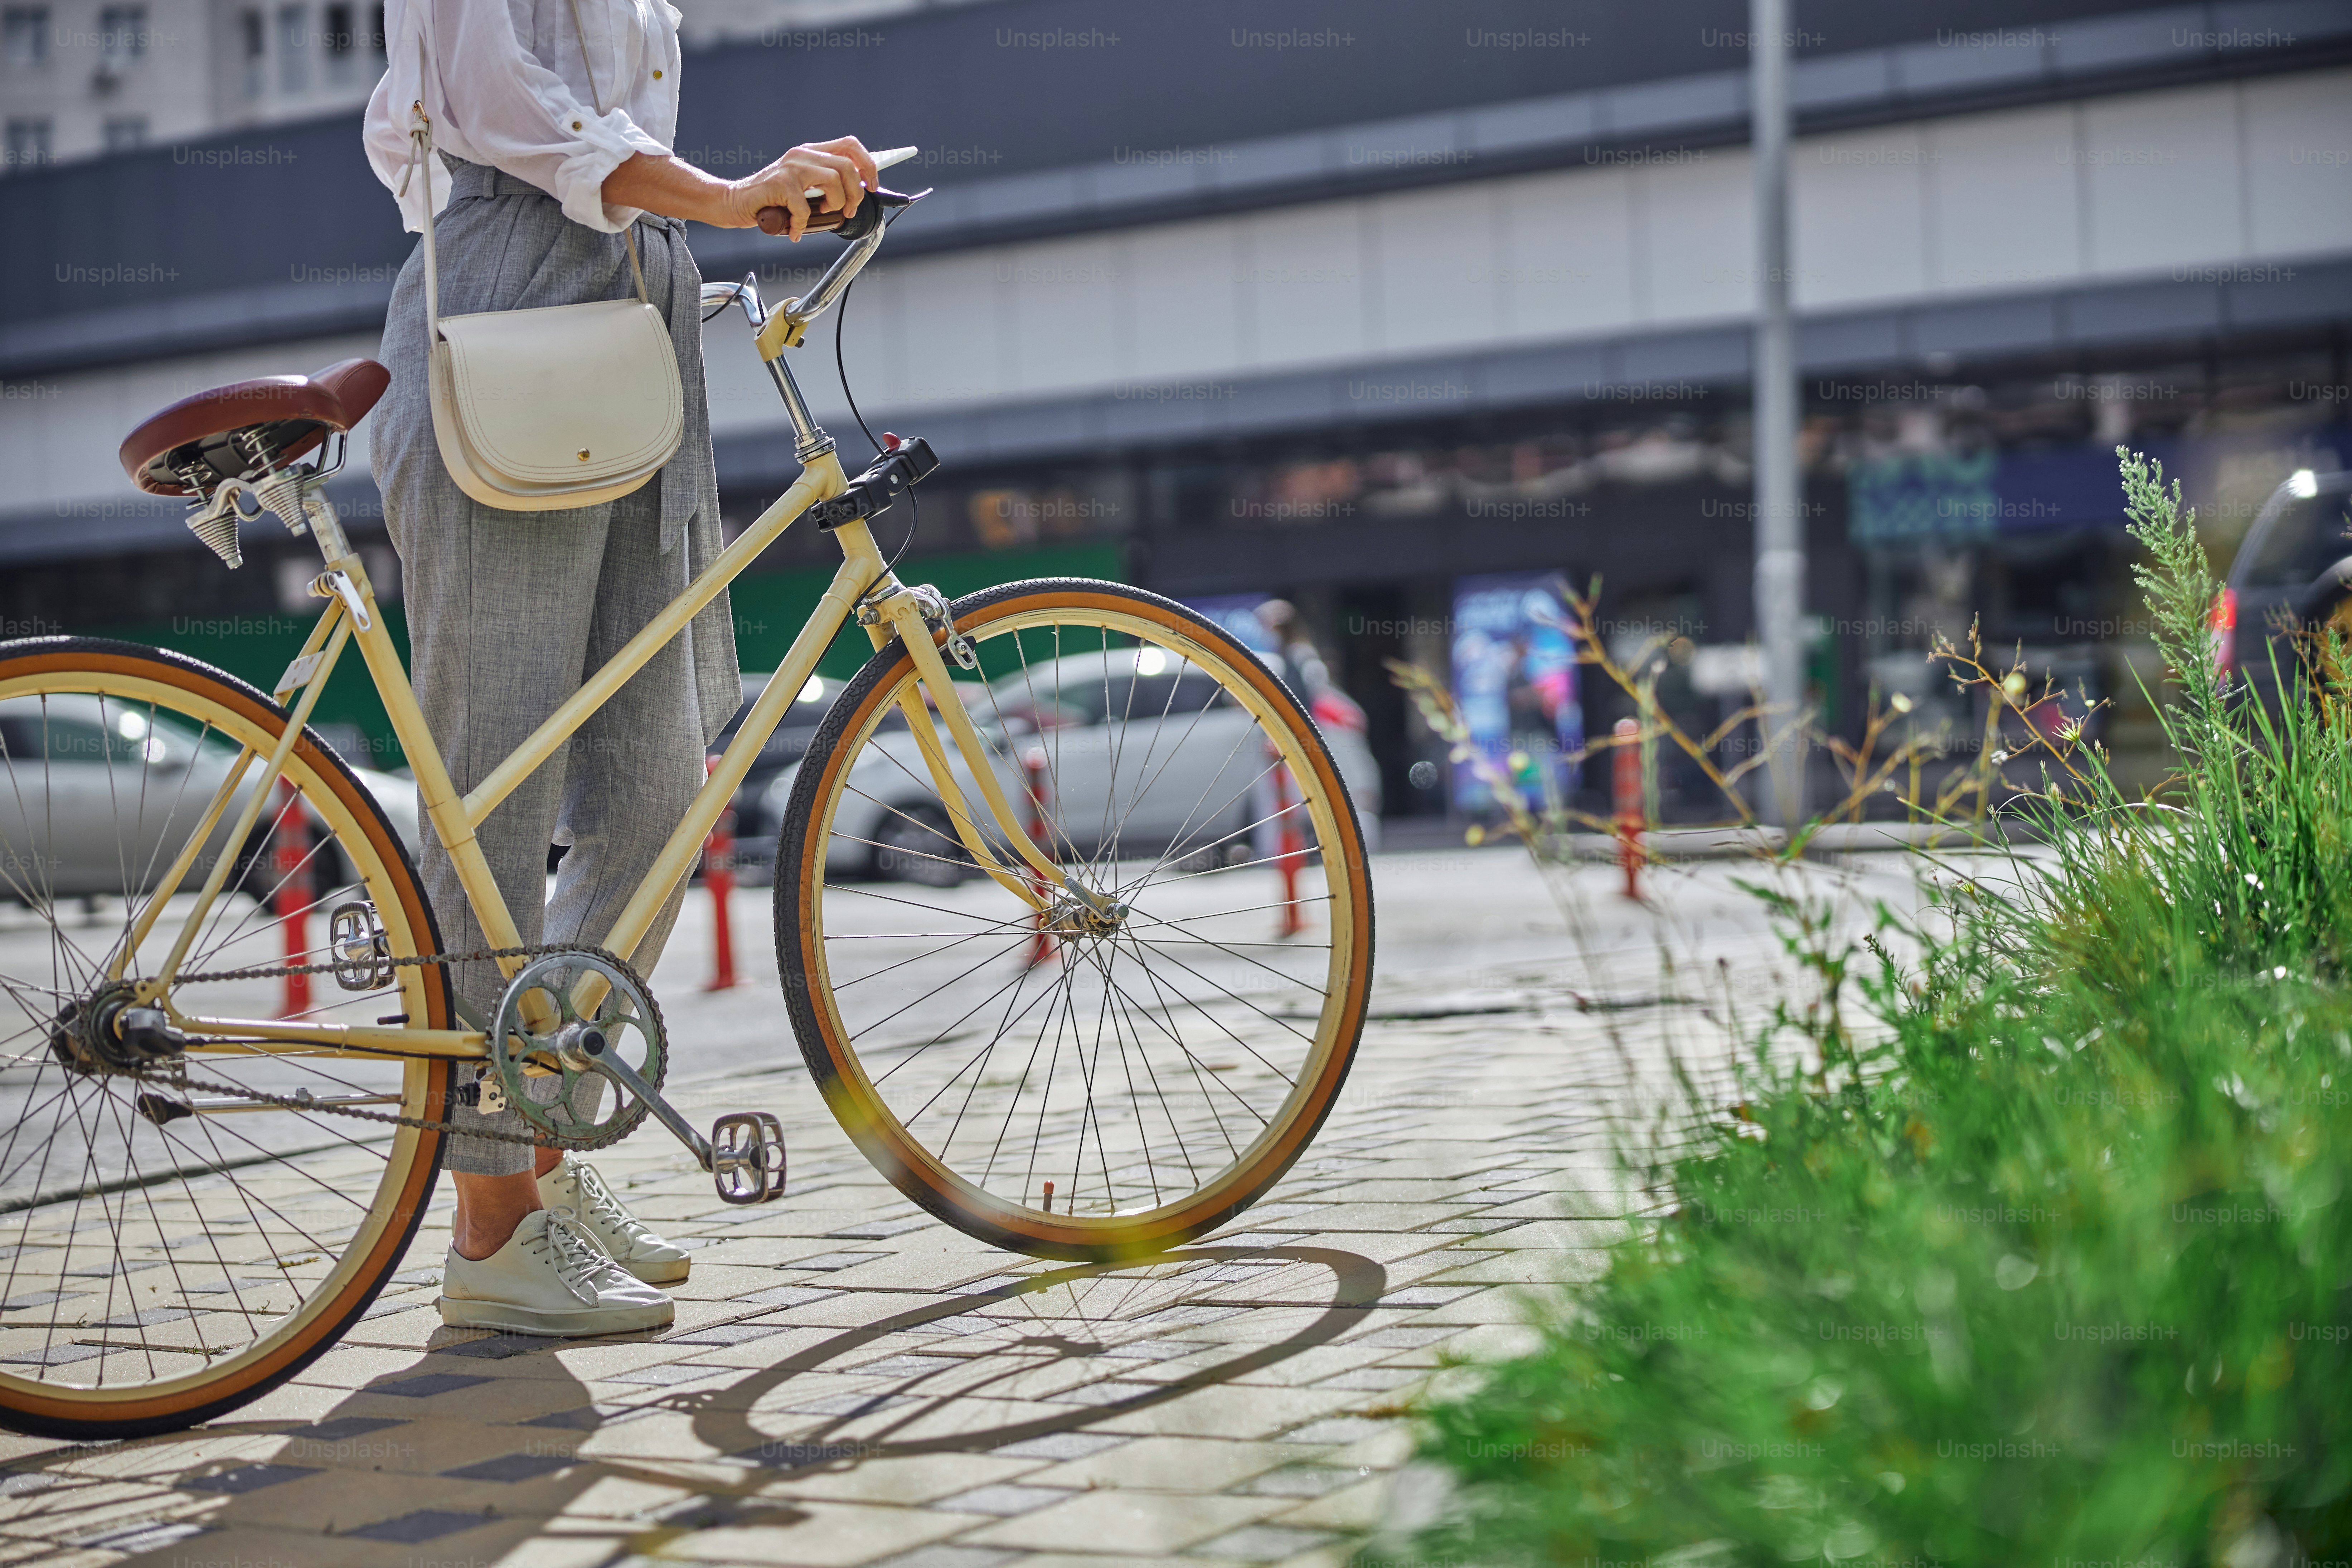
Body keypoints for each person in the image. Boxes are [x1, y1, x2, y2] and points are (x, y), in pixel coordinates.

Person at [362, 0, 878, 1336]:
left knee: (658, 794)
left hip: (629, 321)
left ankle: (538, 1150)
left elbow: (613, 135)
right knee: (499, 796)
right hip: (505, 309)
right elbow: (502, 104)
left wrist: (744, 213)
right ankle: (489, 1229)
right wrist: (724, 190)